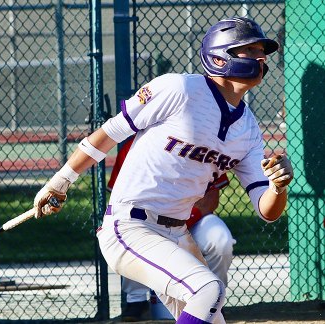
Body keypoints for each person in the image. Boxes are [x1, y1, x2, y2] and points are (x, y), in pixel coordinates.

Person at [33, 17, 294, 324]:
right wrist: (60, 181)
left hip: (178, 233)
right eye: (249, 49)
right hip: (131, 226)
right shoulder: (179, 88)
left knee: (210, 314)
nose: (260, 57)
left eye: (262, 50)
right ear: (220, 55)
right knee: (209, 289)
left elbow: (267, 211)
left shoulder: (248, 128)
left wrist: (278, 187)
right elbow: (109, 133)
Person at [108, 137, 234, 322]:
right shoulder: (132, 147)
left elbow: (211, 199)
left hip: (194, 220)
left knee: (220, 239)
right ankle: (135, 301)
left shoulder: (204, 143)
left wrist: (181, 223)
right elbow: (122, 200)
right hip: (147, 224)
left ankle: (213, 302)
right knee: (132, 234)